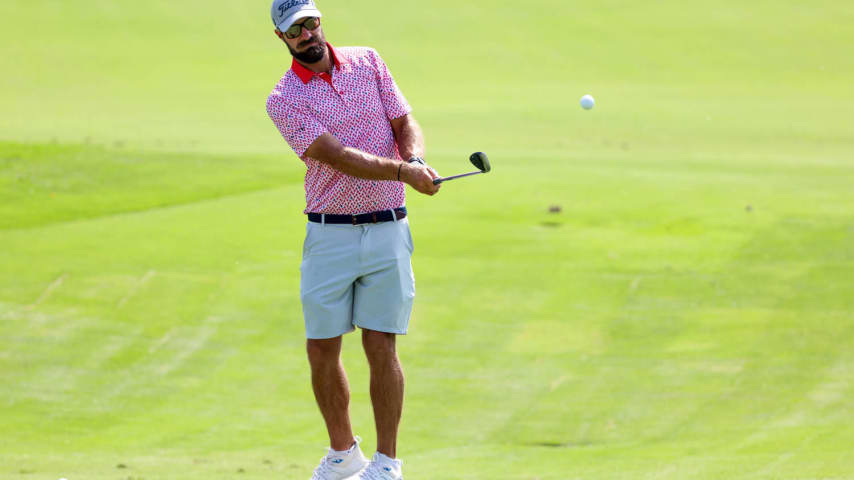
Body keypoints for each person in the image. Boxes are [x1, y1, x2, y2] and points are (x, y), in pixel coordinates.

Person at [265, 1, 441, 479]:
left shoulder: (368, 61)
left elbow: (404, 120)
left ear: (321, 22)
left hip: (387, 228)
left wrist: (416, 158)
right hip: (329, 234)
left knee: (381, 344)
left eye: (311, 23)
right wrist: (406, 172)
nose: (306, 34)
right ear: (282, 38)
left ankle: (386, 464)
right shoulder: (283, 98)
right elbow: (334, 155)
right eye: (295, 29)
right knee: (321, 347)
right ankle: (343, 455)